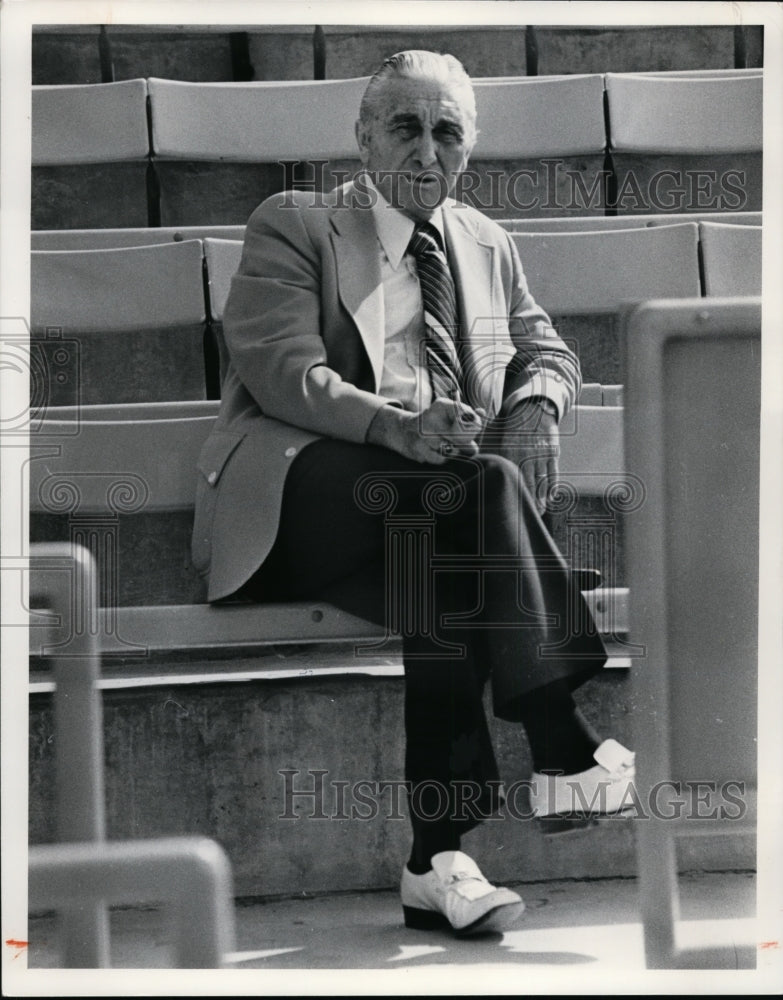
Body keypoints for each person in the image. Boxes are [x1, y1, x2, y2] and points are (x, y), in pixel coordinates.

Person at [192, 50, 635, 937]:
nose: (426, 152)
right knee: (475, 491)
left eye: (446, 133)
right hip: (302, 496)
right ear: (363, 138)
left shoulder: (485, 241)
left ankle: (435, 859)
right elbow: (282, 371)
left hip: (430, 518)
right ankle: (559, 741)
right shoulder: (297, 223)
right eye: (404, 127)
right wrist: (396, 427)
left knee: (448, 563)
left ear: (468, 148)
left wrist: (539, 403)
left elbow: (547, 350)